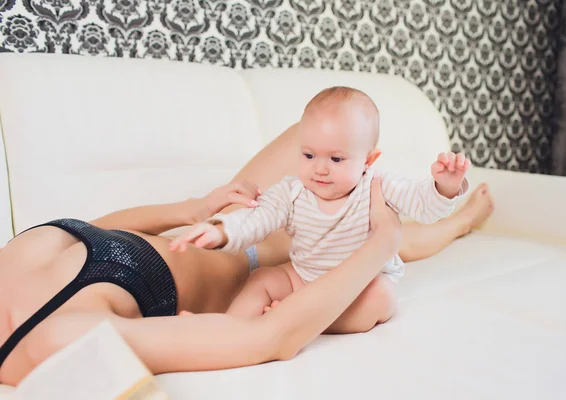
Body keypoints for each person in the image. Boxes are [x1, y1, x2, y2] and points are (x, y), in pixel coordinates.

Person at [0, 118, 493, 387]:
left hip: (239, 221)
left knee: (328, 126)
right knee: (370, 247)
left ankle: (439, 206)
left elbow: (92, 229)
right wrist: (382, 242)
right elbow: (265, 337)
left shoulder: (9, 263)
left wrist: (194, 207)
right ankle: (458, 224)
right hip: (267, 277)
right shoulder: (50, 344)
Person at [169, 87, 471, 333]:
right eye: (309, 155)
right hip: (303, 277)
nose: (320, 169)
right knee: (262, 279)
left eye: (336, 159)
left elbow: (424, 206)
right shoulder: (292, 191)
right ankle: (225, 329)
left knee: (383, 297)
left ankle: (303, 320)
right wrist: (220, 231)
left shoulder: (377, 185)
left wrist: (444, 187)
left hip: (354, 290)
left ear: (368, 159)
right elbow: (255, 219)